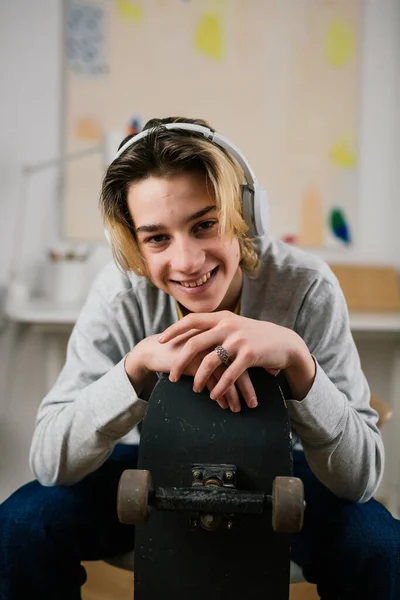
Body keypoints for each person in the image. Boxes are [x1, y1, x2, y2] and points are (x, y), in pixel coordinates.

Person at [0, 116, 399, 599]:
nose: (187, 262)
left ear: (243, 215)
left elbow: (360, 481)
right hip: (148, 460)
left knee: (382, 548)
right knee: (18, 530)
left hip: (285, 466)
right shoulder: (119, 294)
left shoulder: (306, 285)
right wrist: (133, 372)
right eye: (157, 238)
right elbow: (49, 463)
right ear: (133, 245)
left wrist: (298, 362)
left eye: (205, 224)